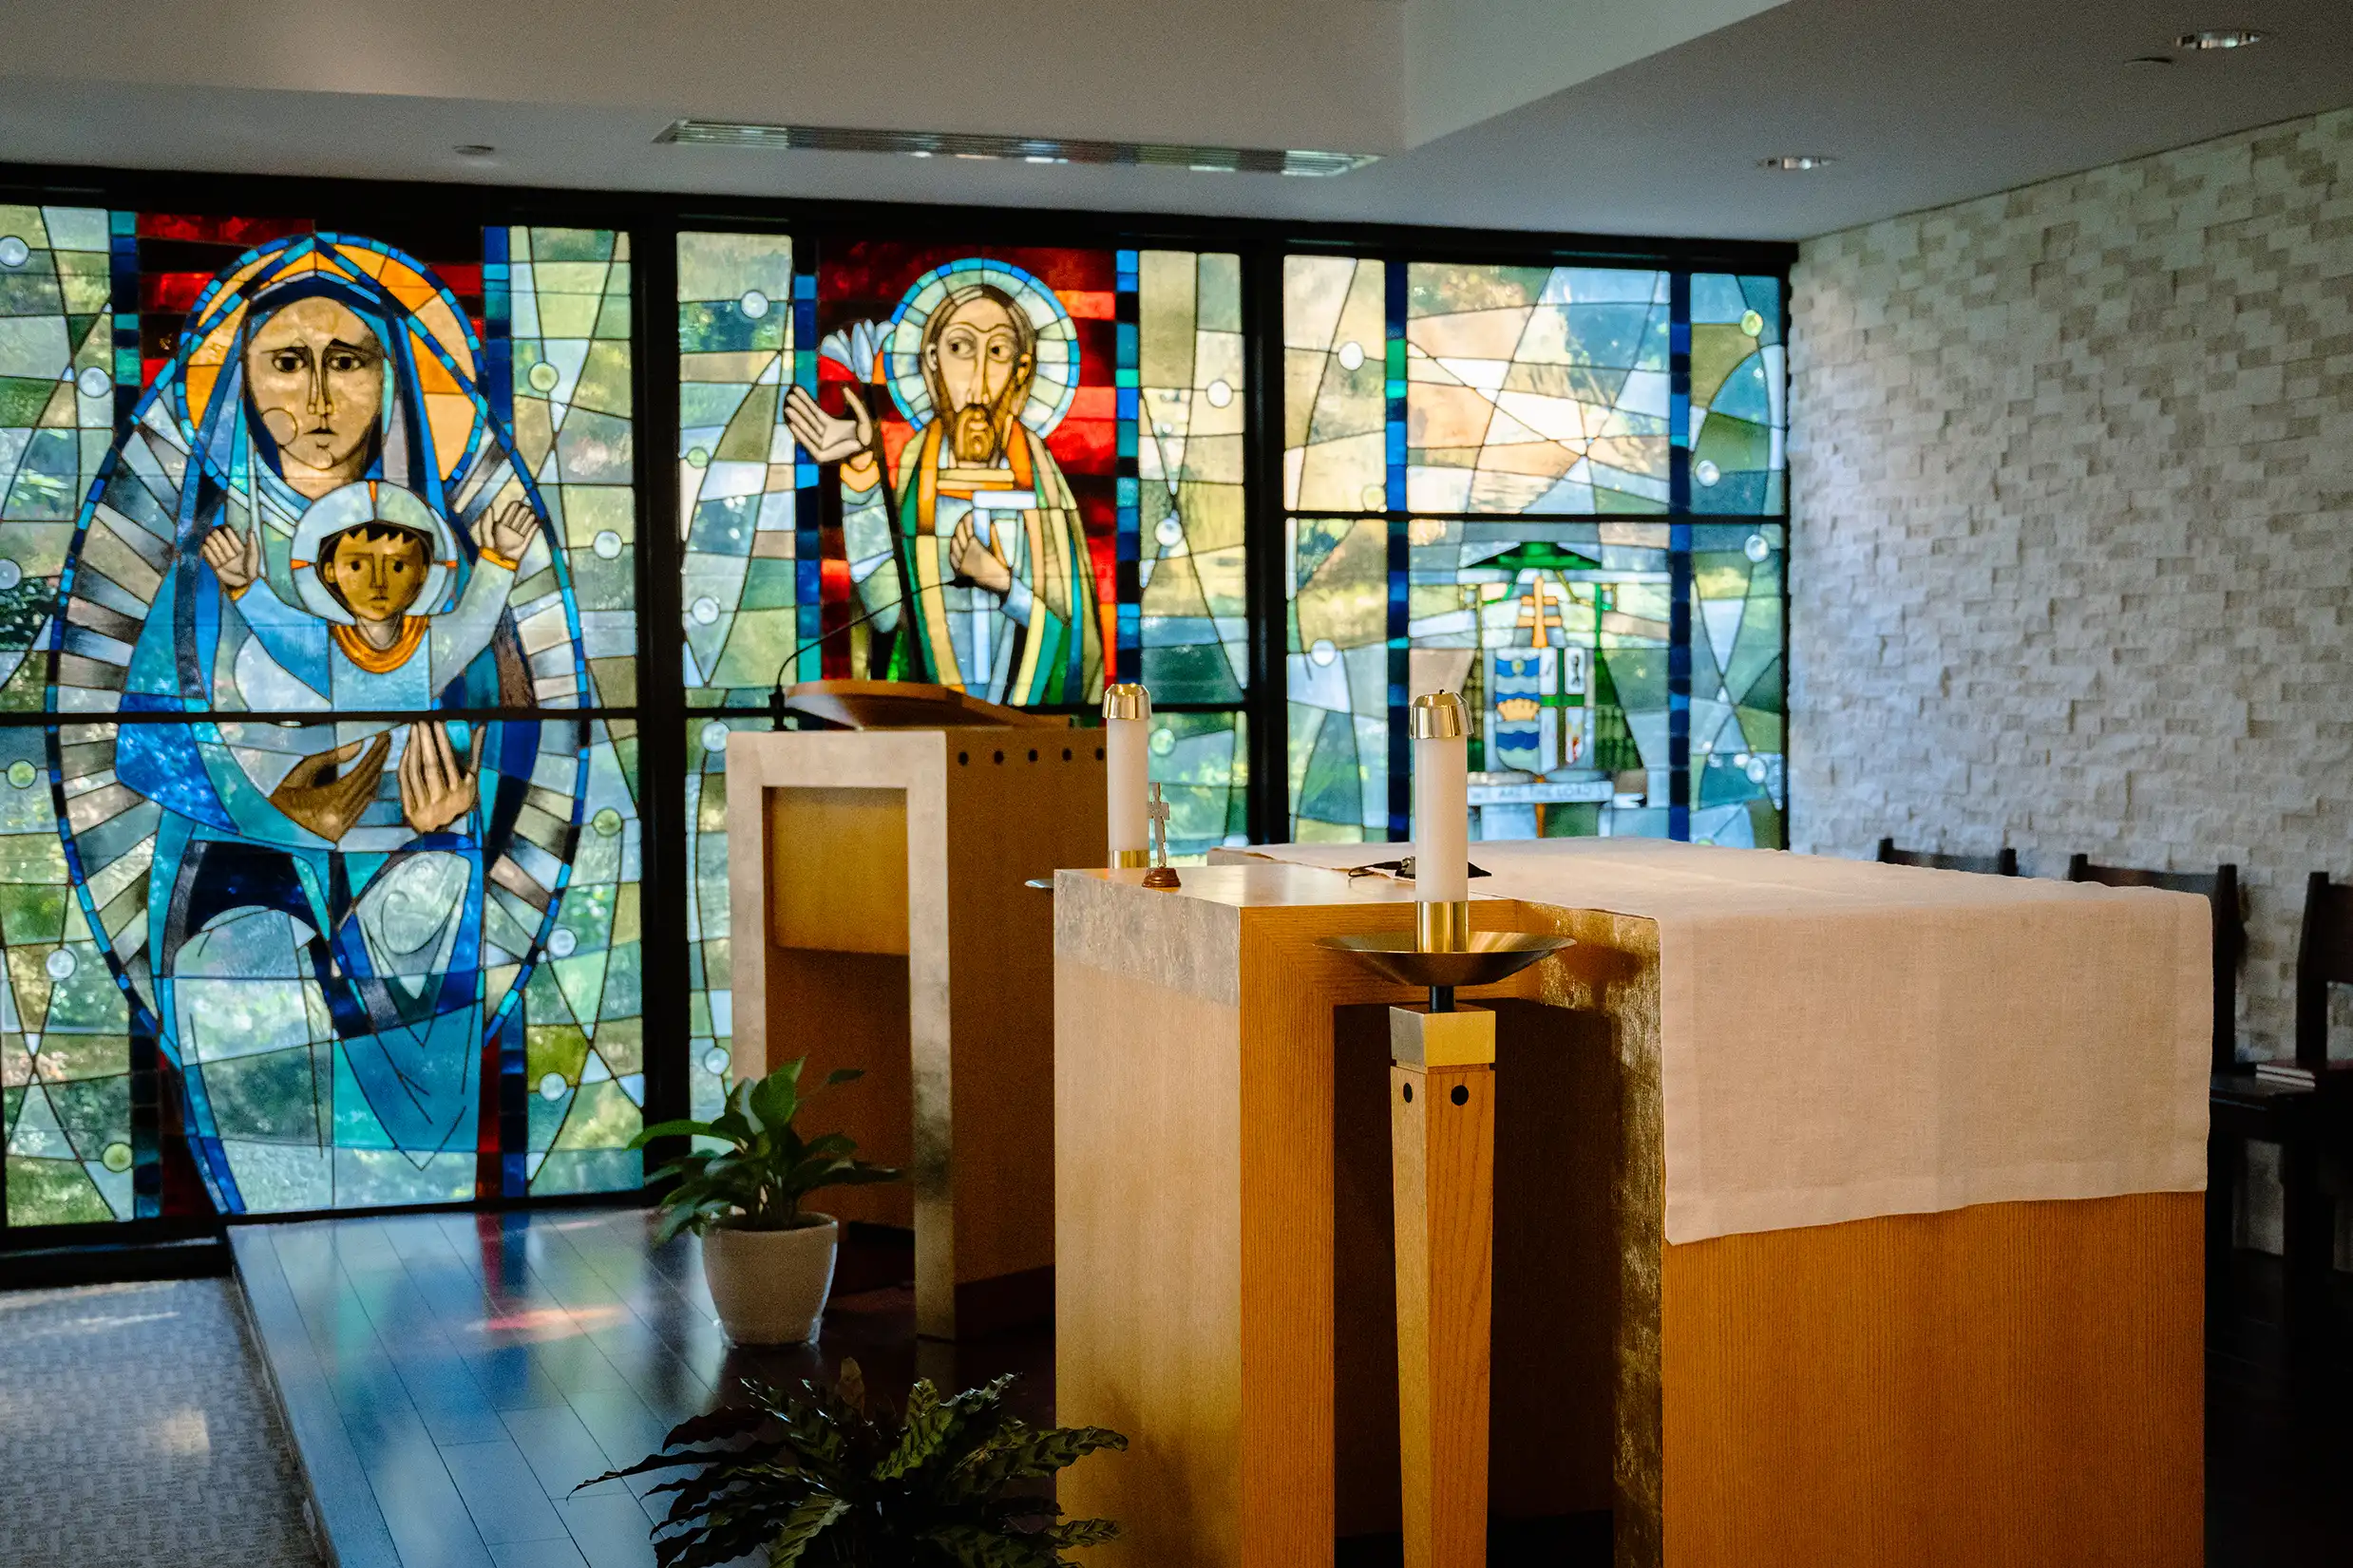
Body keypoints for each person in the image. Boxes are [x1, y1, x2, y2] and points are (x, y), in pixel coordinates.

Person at [51, 233, 581, 1212]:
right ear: (244, 385)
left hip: (417, 866)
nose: (321, 400)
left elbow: (515, 727)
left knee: (414, 1138)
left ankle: (421, 1275)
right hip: (240, 886)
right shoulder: (207, 567)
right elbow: (146, 750)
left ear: (392, 379)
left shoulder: (452, 572)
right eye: (287, 363)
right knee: (243, 998)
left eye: (350, 361)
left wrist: (454, 819)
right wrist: (299, 810)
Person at [783, 271, 1102, 705]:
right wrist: (861, 468)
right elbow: (886, 611)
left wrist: (1003, 584)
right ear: (931, 360)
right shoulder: (918, 473)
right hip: (929, 744)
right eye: (960, 349)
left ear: (1021, 369)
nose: (979, 377)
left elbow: (1077, 645)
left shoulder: (1043, 488)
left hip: (1032, 745)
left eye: (998, 351)